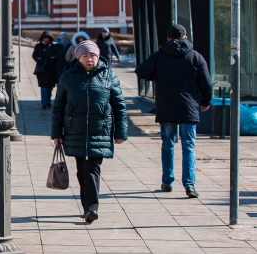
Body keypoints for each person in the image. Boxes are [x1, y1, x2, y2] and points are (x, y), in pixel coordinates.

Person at [51, 40, 127, 223]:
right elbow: (58, 106)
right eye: (85, 55)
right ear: (78, 58)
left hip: (99, 130)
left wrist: (120, 132)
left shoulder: (109, 76)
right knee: (81, 170)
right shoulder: (68, 77)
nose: (89, 59)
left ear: (98, 56)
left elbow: (119, 106)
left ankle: (91, 208)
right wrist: (57, 133)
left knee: (92, 168)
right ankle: (87, 205)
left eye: (92, 55)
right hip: (74, 130)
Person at [134, 24, 212, 199]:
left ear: (168, 39)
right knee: (188, 146)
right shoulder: (195, 56)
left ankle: (167, 182)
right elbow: (206, 83)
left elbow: (141, 71)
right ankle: (189, 185)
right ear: (185, 37)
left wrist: (157, 74)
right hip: (189, 109)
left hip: (167, 108)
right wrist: (205, 102)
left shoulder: (159, 56)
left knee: (168, 145)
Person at [32, 31, 59, 110]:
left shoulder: (53, 47)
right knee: (43, 87)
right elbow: (34, 55)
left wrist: (54, 57)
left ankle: (48, 102)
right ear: (42, 38)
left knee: (50, 87)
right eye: (45, 38)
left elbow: (58, 55)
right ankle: (43, 103)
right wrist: (37, 58)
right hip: (41, 70)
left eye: (47, 38)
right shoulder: (38, 46)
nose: (46, 39)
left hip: (51, 70)